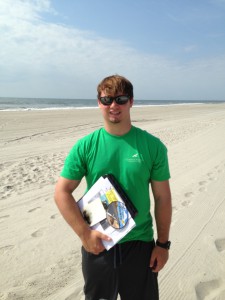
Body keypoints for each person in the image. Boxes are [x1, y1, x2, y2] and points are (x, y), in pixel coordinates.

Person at [54, 75, 172, 300]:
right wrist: (84, 233)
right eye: (107, 100)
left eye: (121, 99)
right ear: (99, 102)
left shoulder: (152, 146)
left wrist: (163, 245)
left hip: (140, 246)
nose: (113, 105)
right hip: (98, 244)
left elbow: (162, 197)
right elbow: (61, 192)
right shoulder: (85, 146)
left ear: (131, 102)